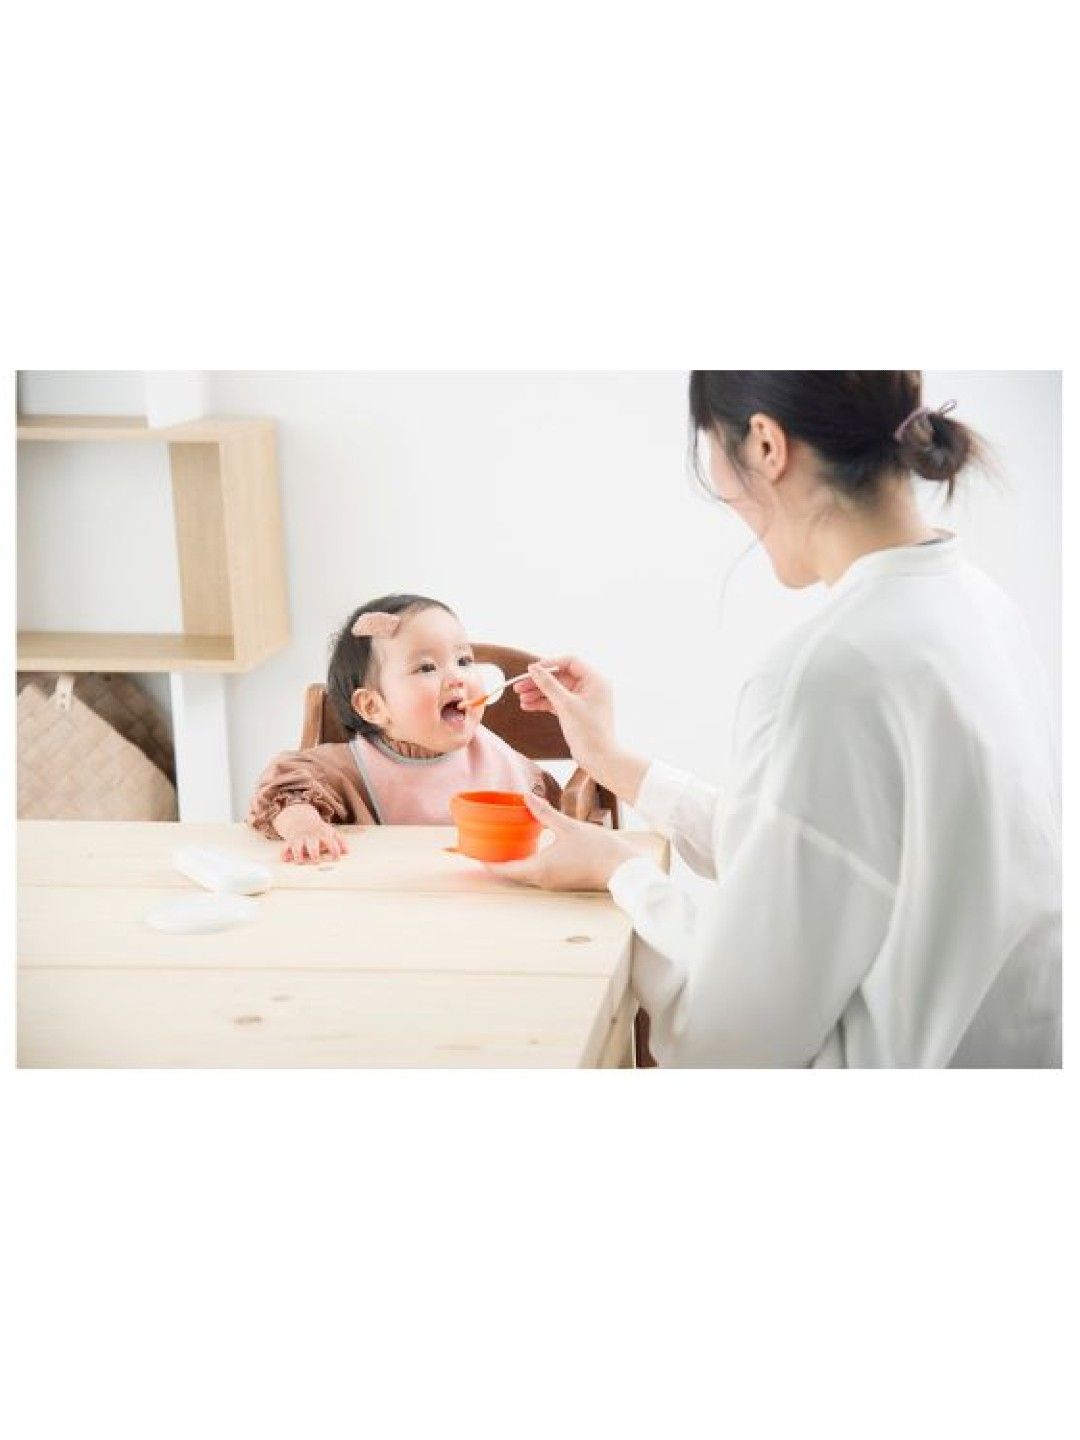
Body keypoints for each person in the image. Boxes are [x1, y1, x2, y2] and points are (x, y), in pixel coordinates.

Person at [488, 372, 1062, 1068]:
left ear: (765, 443)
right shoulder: (979, 605)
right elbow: (842, 861)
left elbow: (727, 1047)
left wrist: (622, 872)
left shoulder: (828, 671)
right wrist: (614, 764)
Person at [248, 593, 552, 862]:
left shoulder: (498, 759)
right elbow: (283, 790)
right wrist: (306, 827)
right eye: (427, 668)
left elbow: (560, 821)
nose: (457, 677)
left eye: (463, 660)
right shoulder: (349, 770)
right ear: (373, 707)